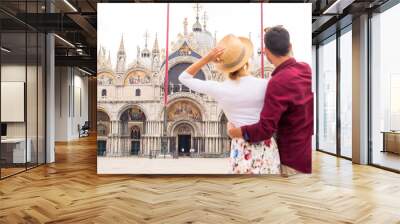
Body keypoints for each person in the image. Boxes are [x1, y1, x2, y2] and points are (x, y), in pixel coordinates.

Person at [179, 34, 280, 174]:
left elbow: (183, 77)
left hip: (240, 146)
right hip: (265, 146)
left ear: (224, 67)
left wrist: (208, 58)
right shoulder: (266, 85)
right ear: (246, 62)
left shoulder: (220, 88)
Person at [228, 26, 313, 175]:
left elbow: (265, 129)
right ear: (290, 46)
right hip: (306, 154)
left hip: (291, 160)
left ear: (266, 53)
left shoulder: (278, 82)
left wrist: (236, 131)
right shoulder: (306, 69)